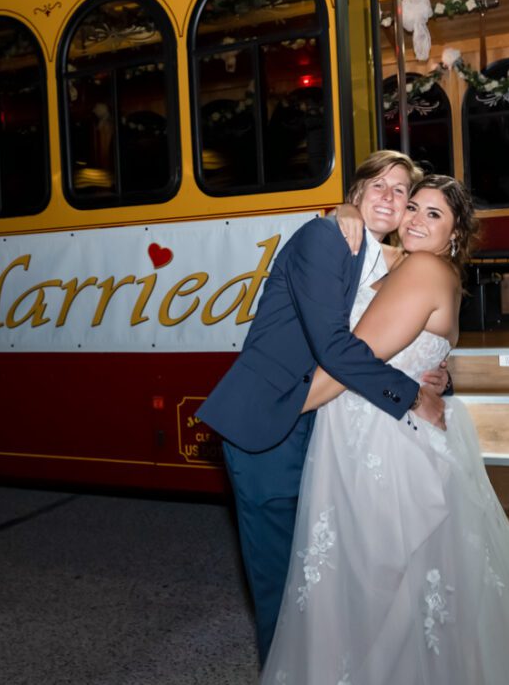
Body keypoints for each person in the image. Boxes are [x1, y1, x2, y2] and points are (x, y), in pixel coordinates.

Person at [262, 176, 509, 684]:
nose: (417, 219)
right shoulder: (396, 265)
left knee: (380, 584)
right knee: (394, 587)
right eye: (413, 207)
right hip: (371, 428)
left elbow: (346, 362)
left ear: (455, 236)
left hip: (382, 440)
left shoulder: (422, 267)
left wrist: (274, 415)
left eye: (435, 215)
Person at [197, 150, 449, 663]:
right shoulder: (326, 236)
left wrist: (438, 373)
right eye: (376, 184)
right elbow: (335, 346)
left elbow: (411, 330)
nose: (388, 195)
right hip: (269, 425)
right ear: (354, 195)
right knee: (283, 587)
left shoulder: (387, 262)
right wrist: (411, 396)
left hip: (326, 430)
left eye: (400, 190)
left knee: (323, 581)